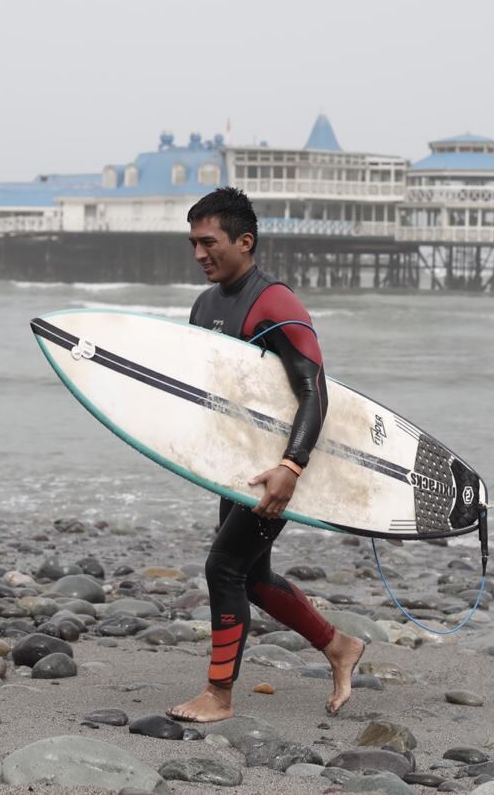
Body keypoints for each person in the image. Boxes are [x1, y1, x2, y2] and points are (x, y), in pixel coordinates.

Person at [166, 187, 366, 724]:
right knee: (252, 577)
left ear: (245, 241)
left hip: (282, 465)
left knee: (223, 568)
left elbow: (314, 392)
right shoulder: (205, 305)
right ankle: (340, 647)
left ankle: (218, 695)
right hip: (240, 464)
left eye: (209, 242)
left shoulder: (275, 302)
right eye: (193, 243)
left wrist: (291, 467)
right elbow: (209, 393)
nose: (199, 254)